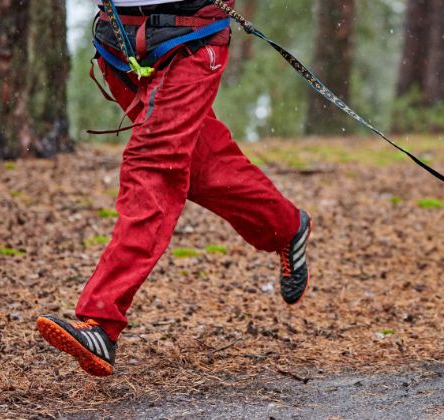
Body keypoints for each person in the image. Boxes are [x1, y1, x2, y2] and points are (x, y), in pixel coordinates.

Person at [36, 0, 312, 377]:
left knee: (153, 163)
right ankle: (285, 225)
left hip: (191, 39)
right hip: (118, 41)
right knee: (204, 169)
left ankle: (101, 321)